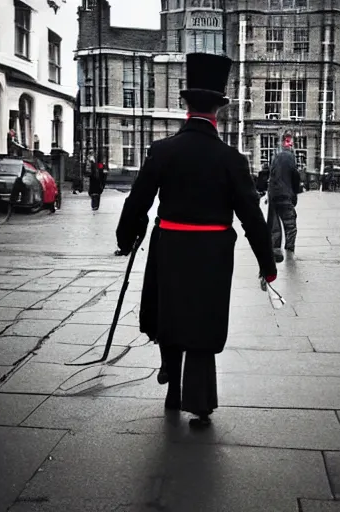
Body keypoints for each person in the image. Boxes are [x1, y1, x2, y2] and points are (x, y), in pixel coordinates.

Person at [115, 52, 277, 428]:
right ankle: (200, 403)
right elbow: (252, 216)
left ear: (185, 105)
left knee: (169, 312)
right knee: (202, 322)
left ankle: (171, 381)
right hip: (212, 252)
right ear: (218, 111)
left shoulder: (163, 150)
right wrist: (266, 265)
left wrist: (127, 237)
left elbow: (137, 199)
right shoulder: (232, 159)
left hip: (169, 246)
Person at [267, 134, 301, 262]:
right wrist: (295, 193)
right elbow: (295, 175)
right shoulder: (290, 156)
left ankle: (275, 247)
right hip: (285, 194)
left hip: (274, 194)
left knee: (275, 223)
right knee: (290, 223)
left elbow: (272, 175)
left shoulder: (275, 157)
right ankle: (289, 248)